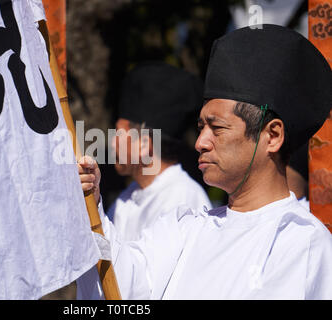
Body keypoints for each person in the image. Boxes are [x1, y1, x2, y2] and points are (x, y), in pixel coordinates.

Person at [77, 24, 332, 299]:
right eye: (201, 127)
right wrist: (90, 204)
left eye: (217, 128)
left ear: (271, 136)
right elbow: (125, 287)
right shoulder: (186, 228)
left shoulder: (300, 242)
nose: (200, 143)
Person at [106, 61, 212, 242]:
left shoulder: (183, 200)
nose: (112, 143)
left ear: (143, 144)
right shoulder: (125, 200)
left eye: (119, 133)